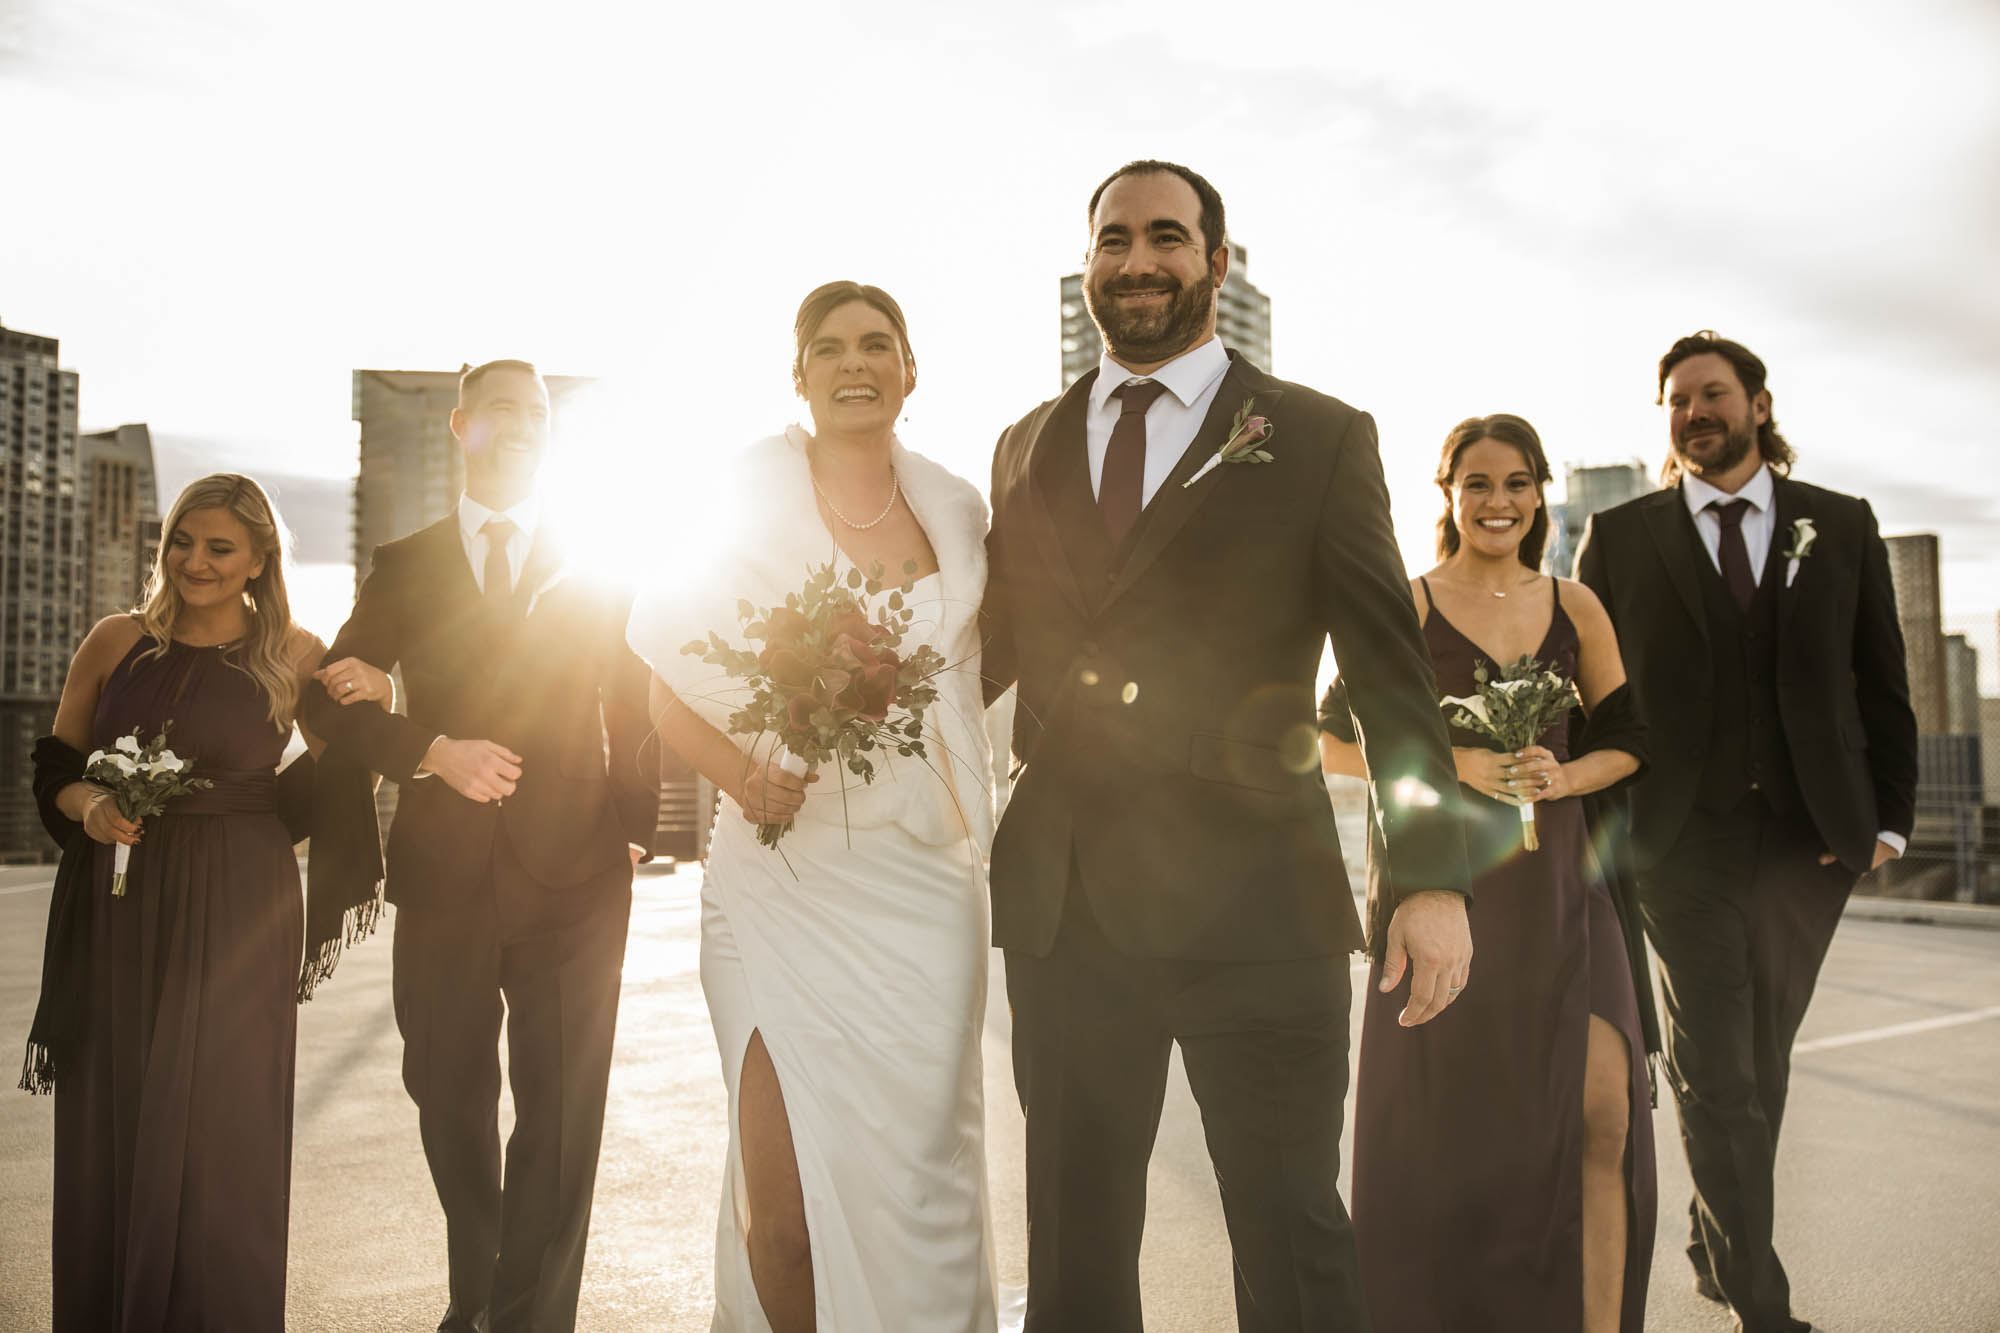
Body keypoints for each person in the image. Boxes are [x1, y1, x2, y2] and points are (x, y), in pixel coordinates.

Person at [979, 158, 1473, 1333]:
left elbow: (1388, 677)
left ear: (1214, 259)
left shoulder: (1315, 435)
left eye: (1164, 236)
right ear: (1086, 264)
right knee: (1074, 1250)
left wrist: (1428, 878)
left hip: (1258, 904)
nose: (1136, 261)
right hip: (1067, 909)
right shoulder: (1023, 444)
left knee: (1291, 1234)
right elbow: (985, 651)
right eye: (1112, 240)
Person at [625, 281, 998, 1332]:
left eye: (876, 344)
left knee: (919, 1183)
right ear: (799, 376)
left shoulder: (959, 511)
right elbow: (667, 688)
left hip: (922, 888)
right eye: (828, 348)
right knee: (780, 1206)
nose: (853, 364)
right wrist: (744, 775)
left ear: (910, 370)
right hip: (779, 876)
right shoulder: (741, 496)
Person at [305, 359, 661, 1333]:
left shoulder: (597, 558)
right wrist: (428, 749)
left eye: (537, 411)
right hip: (444, 871)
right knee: (446, 1094)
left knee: (563, 1113)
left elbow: (634, 704)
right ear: (461, 426)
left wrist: (633, 829)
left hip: (579, 876)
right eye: (502, 408)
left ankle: (527, 1319)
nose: (523, 424)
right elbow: (322, 703)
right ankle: (479, 1296)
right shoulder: (406, 564)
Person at [1575, 331, 1918, 1333]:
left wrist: (1889, 822)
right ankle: (1759, 1301)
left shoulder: (1839, 523)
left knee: (1759, 1058)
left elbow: (1881, 679)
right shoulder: (1618, 536)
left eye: (1713, 394)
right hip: (1676, 843)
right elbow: (1596, 700)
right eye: (1677, 400)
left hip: (1810, 842)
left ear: (1757, 406)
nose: (1694, 413)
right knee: (1718, 1068)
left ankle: (1709, 1235)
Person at [1319, 414, 1657, 1333]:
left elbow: (1631, 740)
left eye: (1516, 483)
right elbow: (1325, 742)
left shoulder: (1576, 604)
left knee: (1606, 1114)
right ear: (1448, 493)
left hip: (1570, 892)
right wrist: (1456, 764)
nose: (1497, 501)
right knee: (1454, 1142)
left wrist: (1564, 776)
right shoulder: (1409, 600)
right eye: (1477, 482)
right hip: (1448, 890)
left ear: (1540, 494)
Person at [30, 473, 382, 1330]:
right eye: (183, 542)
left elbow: (344, 772)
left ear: (260, 558)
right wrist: (89, 803)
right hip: (116, 899)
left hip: (239, 907)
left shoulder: (295, 652)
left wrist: (379, 703)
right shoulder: (115, 641)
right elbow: (54, 766)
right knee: (114, 1108)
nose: (196, 561)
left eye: (220, 547)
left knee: (225, 1125)